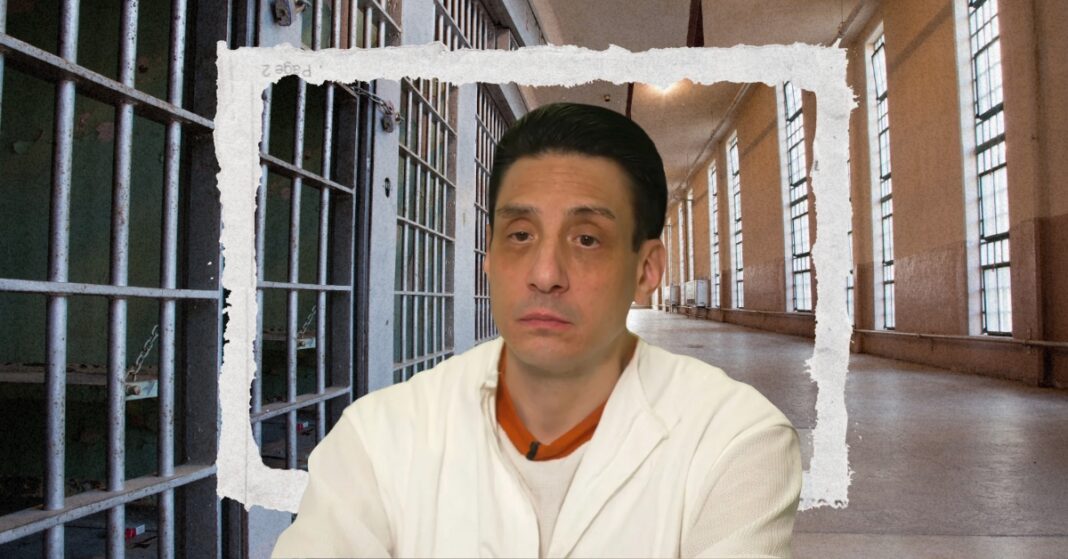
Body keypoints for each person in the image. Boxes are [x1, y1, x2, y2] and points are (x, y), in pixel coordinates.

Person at [272, 102, 801, 558]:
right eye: (520, 235)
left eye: (587, 239)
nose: (545, 274)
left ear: (646, 270)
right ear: (488, 255)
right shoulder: (378, 439)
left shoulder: (733, 441)